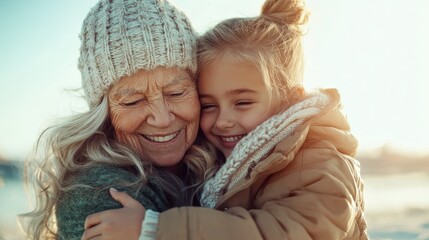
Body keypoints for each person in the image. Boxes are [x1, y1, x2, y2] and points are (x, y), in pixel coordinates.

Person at [81, 0, 369, 239]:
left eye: (242, 103)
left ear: (290, 99)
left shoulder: (320, 162)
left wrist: (155, 229)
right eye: (208, 105)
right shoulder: (230, 161)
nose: (223, 121)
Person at [20, 0, 216, 239]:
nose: (162, 119)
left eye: (176, 93)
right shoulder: (97, 193)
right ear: (103, 112)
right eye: (133, 101)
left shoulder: (224, 160)